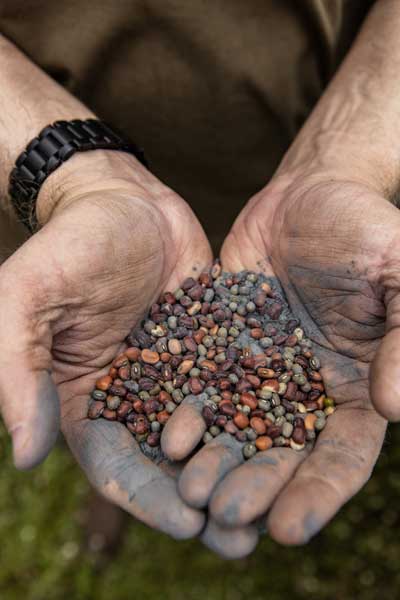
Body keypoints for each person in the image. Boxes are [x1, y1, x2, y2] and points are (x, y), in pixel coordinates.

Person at [0, 0, 398, 558]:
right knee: (86, 339)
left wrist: (345, 153)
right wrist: (67, 171)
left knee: (101, 351)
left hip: (314, 111)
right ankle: (120, 481)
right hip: (47, 148)